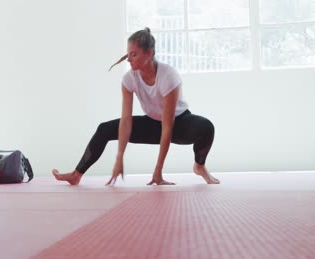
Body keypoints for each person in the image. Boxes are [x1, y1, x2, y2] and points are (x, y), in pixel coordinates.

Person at [52, 27, 220, 186]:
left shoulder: (168, 76)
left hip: (180, 124)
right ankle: (76, 175)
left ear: (149, 53)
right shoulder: (129, 79)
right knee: (104, 129)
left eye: (134, 54)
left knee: (206, 127)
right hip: (153, 123)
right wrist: (119, 158)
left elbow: (167, 126)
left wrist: (158, 172)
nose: (129, 59)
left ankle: (199, 166)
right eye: (128, 54)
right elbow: (126, 121)